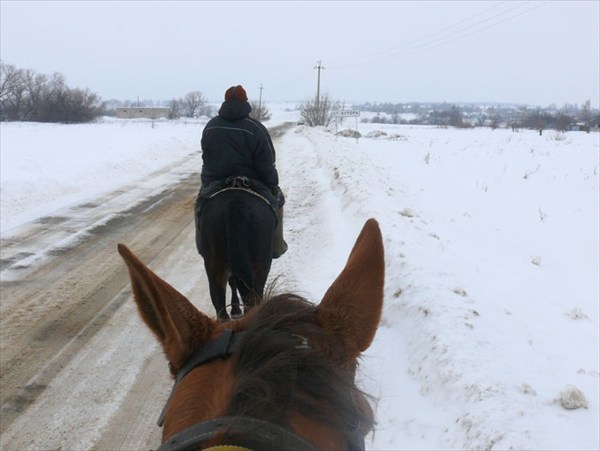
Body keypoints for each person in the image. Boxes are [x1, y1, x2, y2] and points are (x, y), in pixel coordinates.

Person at [198, 85, 287, 258]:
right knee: (278, 201)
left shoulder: (211, 126)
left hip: (215, 182)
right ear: (245, 102)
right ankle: (276, 246)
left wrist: (207, 181)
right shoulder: (256, 128)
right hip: (252, 182)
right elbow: (267, 163)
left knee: (200, 206)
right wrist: (273, 186)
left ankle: (203, 245)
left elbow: (206, 157)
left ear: (225, 102)